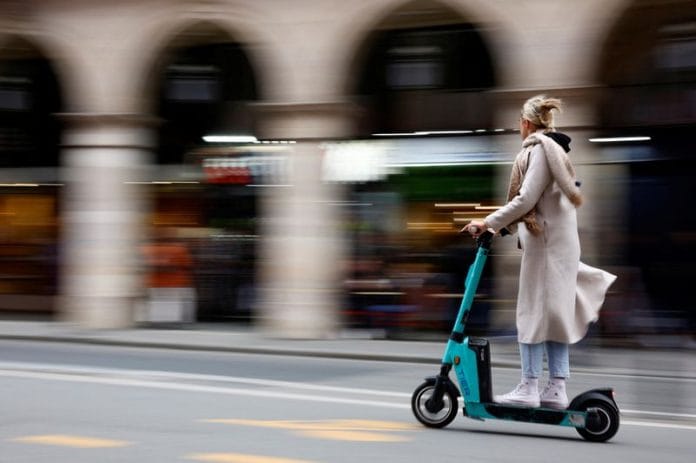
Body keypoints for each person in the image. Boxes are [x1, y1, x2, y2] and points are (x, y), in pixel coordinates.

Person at [463, 95, 616, 409]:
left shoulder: (539, 150)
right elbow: (537, 202)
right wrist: (501, 228)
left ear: (525, 123)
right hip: (557, 243)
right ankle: (556, 388)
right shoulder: (555, 149)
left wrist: (487, 222)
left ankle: (529, 386)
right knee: (554, 315)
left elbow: (525, 199)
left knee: (530, 313)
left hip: (546, 246)